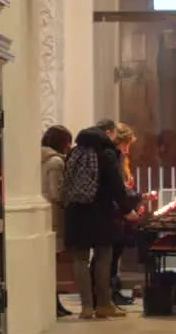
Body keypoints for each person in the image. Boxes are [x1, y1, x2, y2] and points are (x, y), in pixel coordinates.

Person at [62, 118, 141, 319]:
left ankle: (86, 307)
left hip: (75, 212)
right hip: (100, 213)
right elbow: (116, 186)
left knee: (79, 259)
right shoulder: (107, 153)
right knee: (103, 258)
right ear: (109, 133)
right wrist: (127, 210)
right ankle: (104, 304)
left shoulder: (75, 151)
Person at [102, 123, 142, 306]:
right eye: (125, 144)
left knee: (115, 255)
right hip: (113, 214)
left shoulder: (120, 160)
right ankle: (108, 293)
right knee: (110, 256)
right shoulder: (112, 159)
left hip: (118, 213)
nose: (127, 150)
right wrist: (133, 199)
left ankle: (112, 291)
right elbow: (116, 188)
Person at [40, 124, 74, 318]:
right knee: (53, 261)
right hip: (54, 215)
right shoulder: (56, 162)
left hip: (44, 214)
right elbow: (57, 192)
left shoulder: (39, 159)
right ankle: (53, 301)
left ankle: (53, 301)